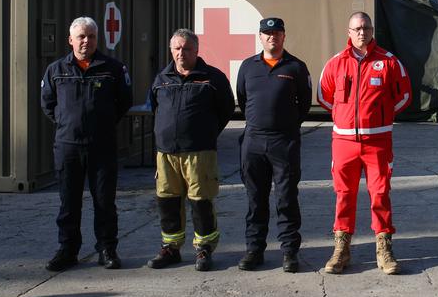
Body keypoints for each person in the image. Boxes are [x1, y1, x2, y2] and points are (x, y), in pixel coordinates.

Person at [317, 12, 412, 275]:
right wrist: (343, 119)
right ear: (348, 32)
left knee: (380, 195)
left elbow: (404, 95)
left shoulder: (389, 62)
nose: (362, 32)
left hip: (378, 142)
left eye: (366, 28)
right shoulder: (336, 63)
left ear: (372, 31)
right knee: (343, 196)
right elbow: (324, 97)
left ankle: (384, 249)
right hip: (344, 142)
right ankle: (341, 249)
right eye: (357, 28)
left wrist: (382, 118)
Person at [40, 16, 132, 271]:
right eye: (81, 36)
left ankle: (106, 249)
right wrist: (67, 124)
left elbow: (123, 102)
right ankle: (67, 250)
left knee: (104, 200)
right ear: (70, 40)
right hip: (68, 146)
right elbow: (48, 105)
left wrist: (100, 124)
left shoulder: (113, 69)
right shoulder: (56, 71)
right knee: (69, 201)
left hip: (101, 146)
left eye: (91, 36)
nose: (86, 41)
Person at [147, 29, 234, 272]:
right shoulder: (161, 78)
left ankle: (204, 248)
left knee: (201, 201)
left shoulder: (212, 78)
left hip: (199, 152)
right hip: (166, 154)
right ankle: (171, 248)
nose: (181, 53)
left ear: (196, 50)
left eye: (186, 48)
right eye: (176, 48)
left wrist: (205, 133)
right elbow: (154, 107)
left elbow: (226, 110)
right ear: (170, 50)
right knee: (168, 201)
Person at [235, 17, 312, 273]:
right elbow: (243, 98)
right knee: (255, 198)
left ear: (284, 36)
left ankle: (290, 252)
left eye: (276, 33)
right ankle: (254, 250)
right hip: (254, 141)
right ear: (260, 37)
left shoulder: (296, 67)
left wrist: (285, 126)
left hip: (284, 142)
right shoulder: (248, 67)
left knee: (286, 198)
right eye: (267, 33)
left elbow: (304, 105)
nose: (272, 37)